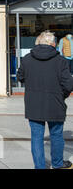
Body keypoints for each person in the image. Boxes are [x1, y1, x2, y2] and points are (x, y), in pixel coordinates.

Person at [17, 30, 73, 169]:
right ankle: (57, 163)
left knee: (37, 137)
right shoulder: (61, 61)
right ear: (53, 44)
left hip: (34, 104)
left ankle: (40, 166)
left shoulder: (27, 59)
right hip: (55, 103)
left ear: (38, 42)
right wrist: (61, 96)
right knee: (56, 135)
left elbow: (20, 77)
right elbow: (69, 85)